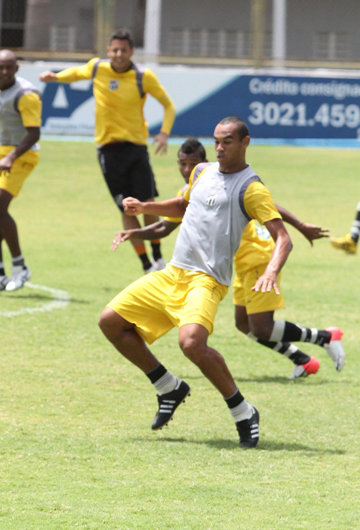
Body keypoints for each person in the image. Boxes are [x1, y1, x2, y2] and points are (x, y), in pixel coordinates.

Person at [98, 117, 291, 448]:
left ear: (245, 143)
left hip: (206, 280)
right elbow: (182, 205)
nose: (220, 148)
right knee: (110, 322)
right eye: (216, 141)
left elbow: (283, 238)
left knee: (191, 343)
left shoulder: (251, 188)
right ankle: (167, 386)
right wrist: (145, 207)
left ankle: (243, 411)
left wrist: (272, 270)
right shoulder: (202, 172)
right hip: (172, 273)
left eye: (228, 141)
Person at [112, 138, 346, 379]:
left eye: (192, 164)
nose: (186, 169)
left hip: (258, 256)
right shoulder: (190, 190)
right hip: (238, 264)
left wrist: (299, 225)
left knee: (262, 326)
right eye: (182, 163)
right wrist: (136, 231)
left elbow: (267, 204)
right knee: (243, 324)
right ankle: (302, 359)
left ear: (205, 163)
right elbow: (166, 227)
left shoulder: (225, 182)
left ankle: (325, 337)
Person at [39, 28, 175, 274]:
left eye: (124, 50)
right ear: (108, 50)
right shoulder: (97, 68)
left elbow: (168, 106)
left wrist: (164, 133)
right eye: (115, 50)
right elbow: (76, 74)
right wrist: (55, 77)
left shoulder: (143, 77)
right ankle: (146, 265)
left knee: (148, 204)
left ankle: (158, 256)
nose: (119, 54)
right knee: (126, 207)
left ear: (132, 52)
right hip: (108, 152)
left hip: (136, 148)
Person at [0, 49, 42, 296]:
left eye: (9, 67)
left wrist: (11, 156)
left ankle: (20, 267)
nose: (4, 72)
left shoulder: (27, 95)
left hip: (22, 153)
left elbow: (34, 133)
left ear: (17, 68)